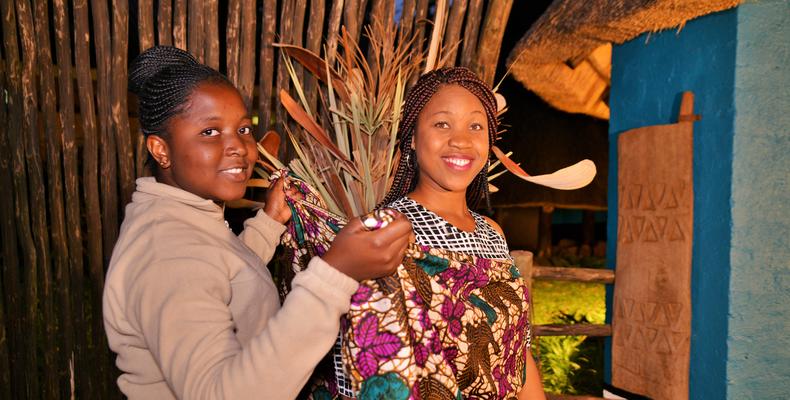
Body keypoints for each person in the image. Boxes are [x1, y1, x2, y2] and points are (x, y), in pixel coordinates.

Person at [102, 46, 412, 400]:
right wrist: (336, 273)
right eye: (210, 132)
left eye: (244, 129)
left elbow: (217, 278)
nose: (240, 147)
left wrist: (268, 222)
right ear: (161, 150)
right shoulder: (167, 252)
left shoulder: (177, 222)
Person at [286, 67, 545, 399]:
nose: (462, 140)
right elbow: (367, 363)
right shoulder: (386, 233)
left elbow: (517, 354)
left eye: (475, 126)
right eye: (442, 124)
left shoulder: (493, 234)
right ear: (411, 137)